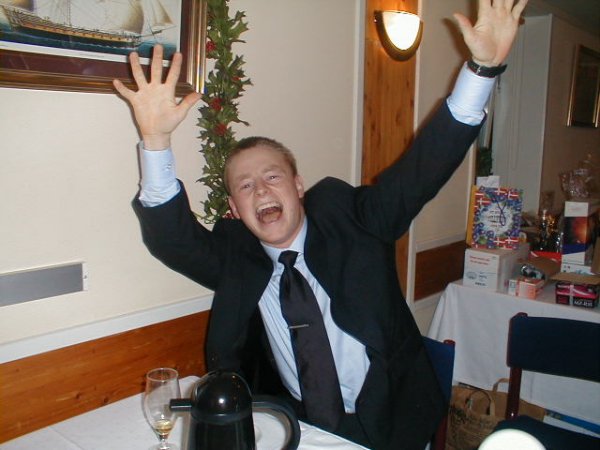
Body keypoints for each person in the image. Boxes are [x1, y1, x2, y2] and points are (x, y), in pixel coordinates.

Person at [114, 1, 528, 448]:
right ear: (234, 207)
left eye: (273, 177)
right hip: (299, 424)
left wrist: (482, 71)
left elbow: (420, 172)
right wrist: (155, 140)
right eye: (246, 186)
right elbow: (171, 240)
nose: (261, 190)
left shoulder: (352, 219)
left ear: (298, 186)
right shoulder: (236, 256)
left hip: (393, 419)